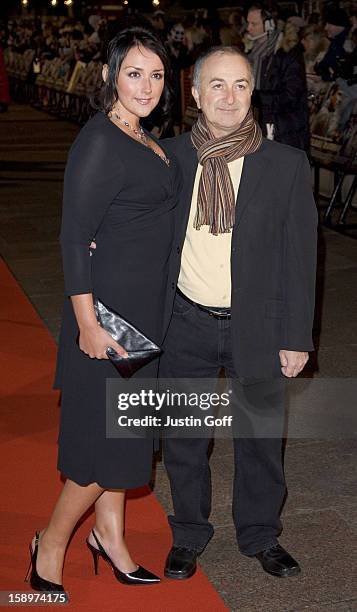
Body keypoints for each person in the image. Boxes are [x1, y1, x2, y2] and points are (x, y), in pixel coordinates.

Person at [25, 26, 181, 595]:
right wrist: (88, 323)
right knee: (101, 450)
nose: (147, 86)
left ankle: (109, 536)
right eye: (134, 72)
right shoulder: (99, 140)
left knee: (127, 435)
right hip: (110, 320)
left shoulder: (143, 136)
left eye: (157, 74)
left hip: (143, 315)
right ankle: (50, 545)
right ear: (111, 75)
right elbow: (74, 237)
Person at [160, 46, 317, 580]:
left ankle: (259, 535)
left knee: (261, 438)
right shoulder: (169, 159)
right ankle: (188, 532)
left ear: (253, 91)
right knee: (184, 437)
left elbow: (300, 259)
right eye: (218, 85)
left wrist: (297, 337)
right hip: (185, 322)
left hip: (260, 323)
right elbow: (136, 233)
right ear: (197, 93)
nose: (229, 97)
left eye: (241, 85)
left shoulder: (286, 165)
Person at [246, 4, 310, 151]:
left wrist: (257, 97)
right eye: (248, 23)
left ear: (269, 25)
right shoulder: (253, 52)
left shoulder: (288, 53)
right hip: (262, 123)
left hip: (283, 129)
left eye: (253, 24)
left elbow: (291, 95)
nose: (248, 28)